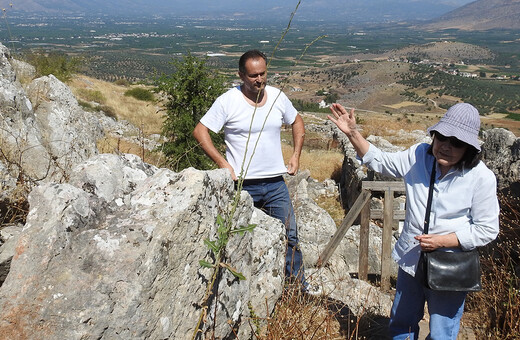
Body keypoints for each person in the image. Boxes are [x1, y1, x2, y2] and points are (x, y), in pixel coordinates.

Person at [328, 102, 499, 339]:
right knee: (402, 324)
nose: (446, 146)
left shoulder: (481, 178)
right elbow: (381, 161)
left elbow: (487, 229)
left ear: (469, 148)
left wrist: (444, 241)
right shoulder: (420, 155)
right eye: (442, 137)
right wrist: (353, 133)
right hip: (411, 259)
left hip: (450, 266)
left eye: (456, 142)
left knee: (442, 333)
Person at [193, 49, 309, 290]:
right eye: (253, 75)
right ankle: (240, 292)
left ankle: (297, 292)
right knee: (239, 239)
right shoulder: (228, 100)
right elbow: (200, 131)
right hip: (242, 186)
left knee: (290, 237)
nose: (259, 80)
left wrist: (296, 155)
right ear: (241, 76)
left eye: (263, 74)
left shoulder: (277, 96)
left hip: (276, 183)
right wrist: (223, 164)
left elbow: (297, 120)